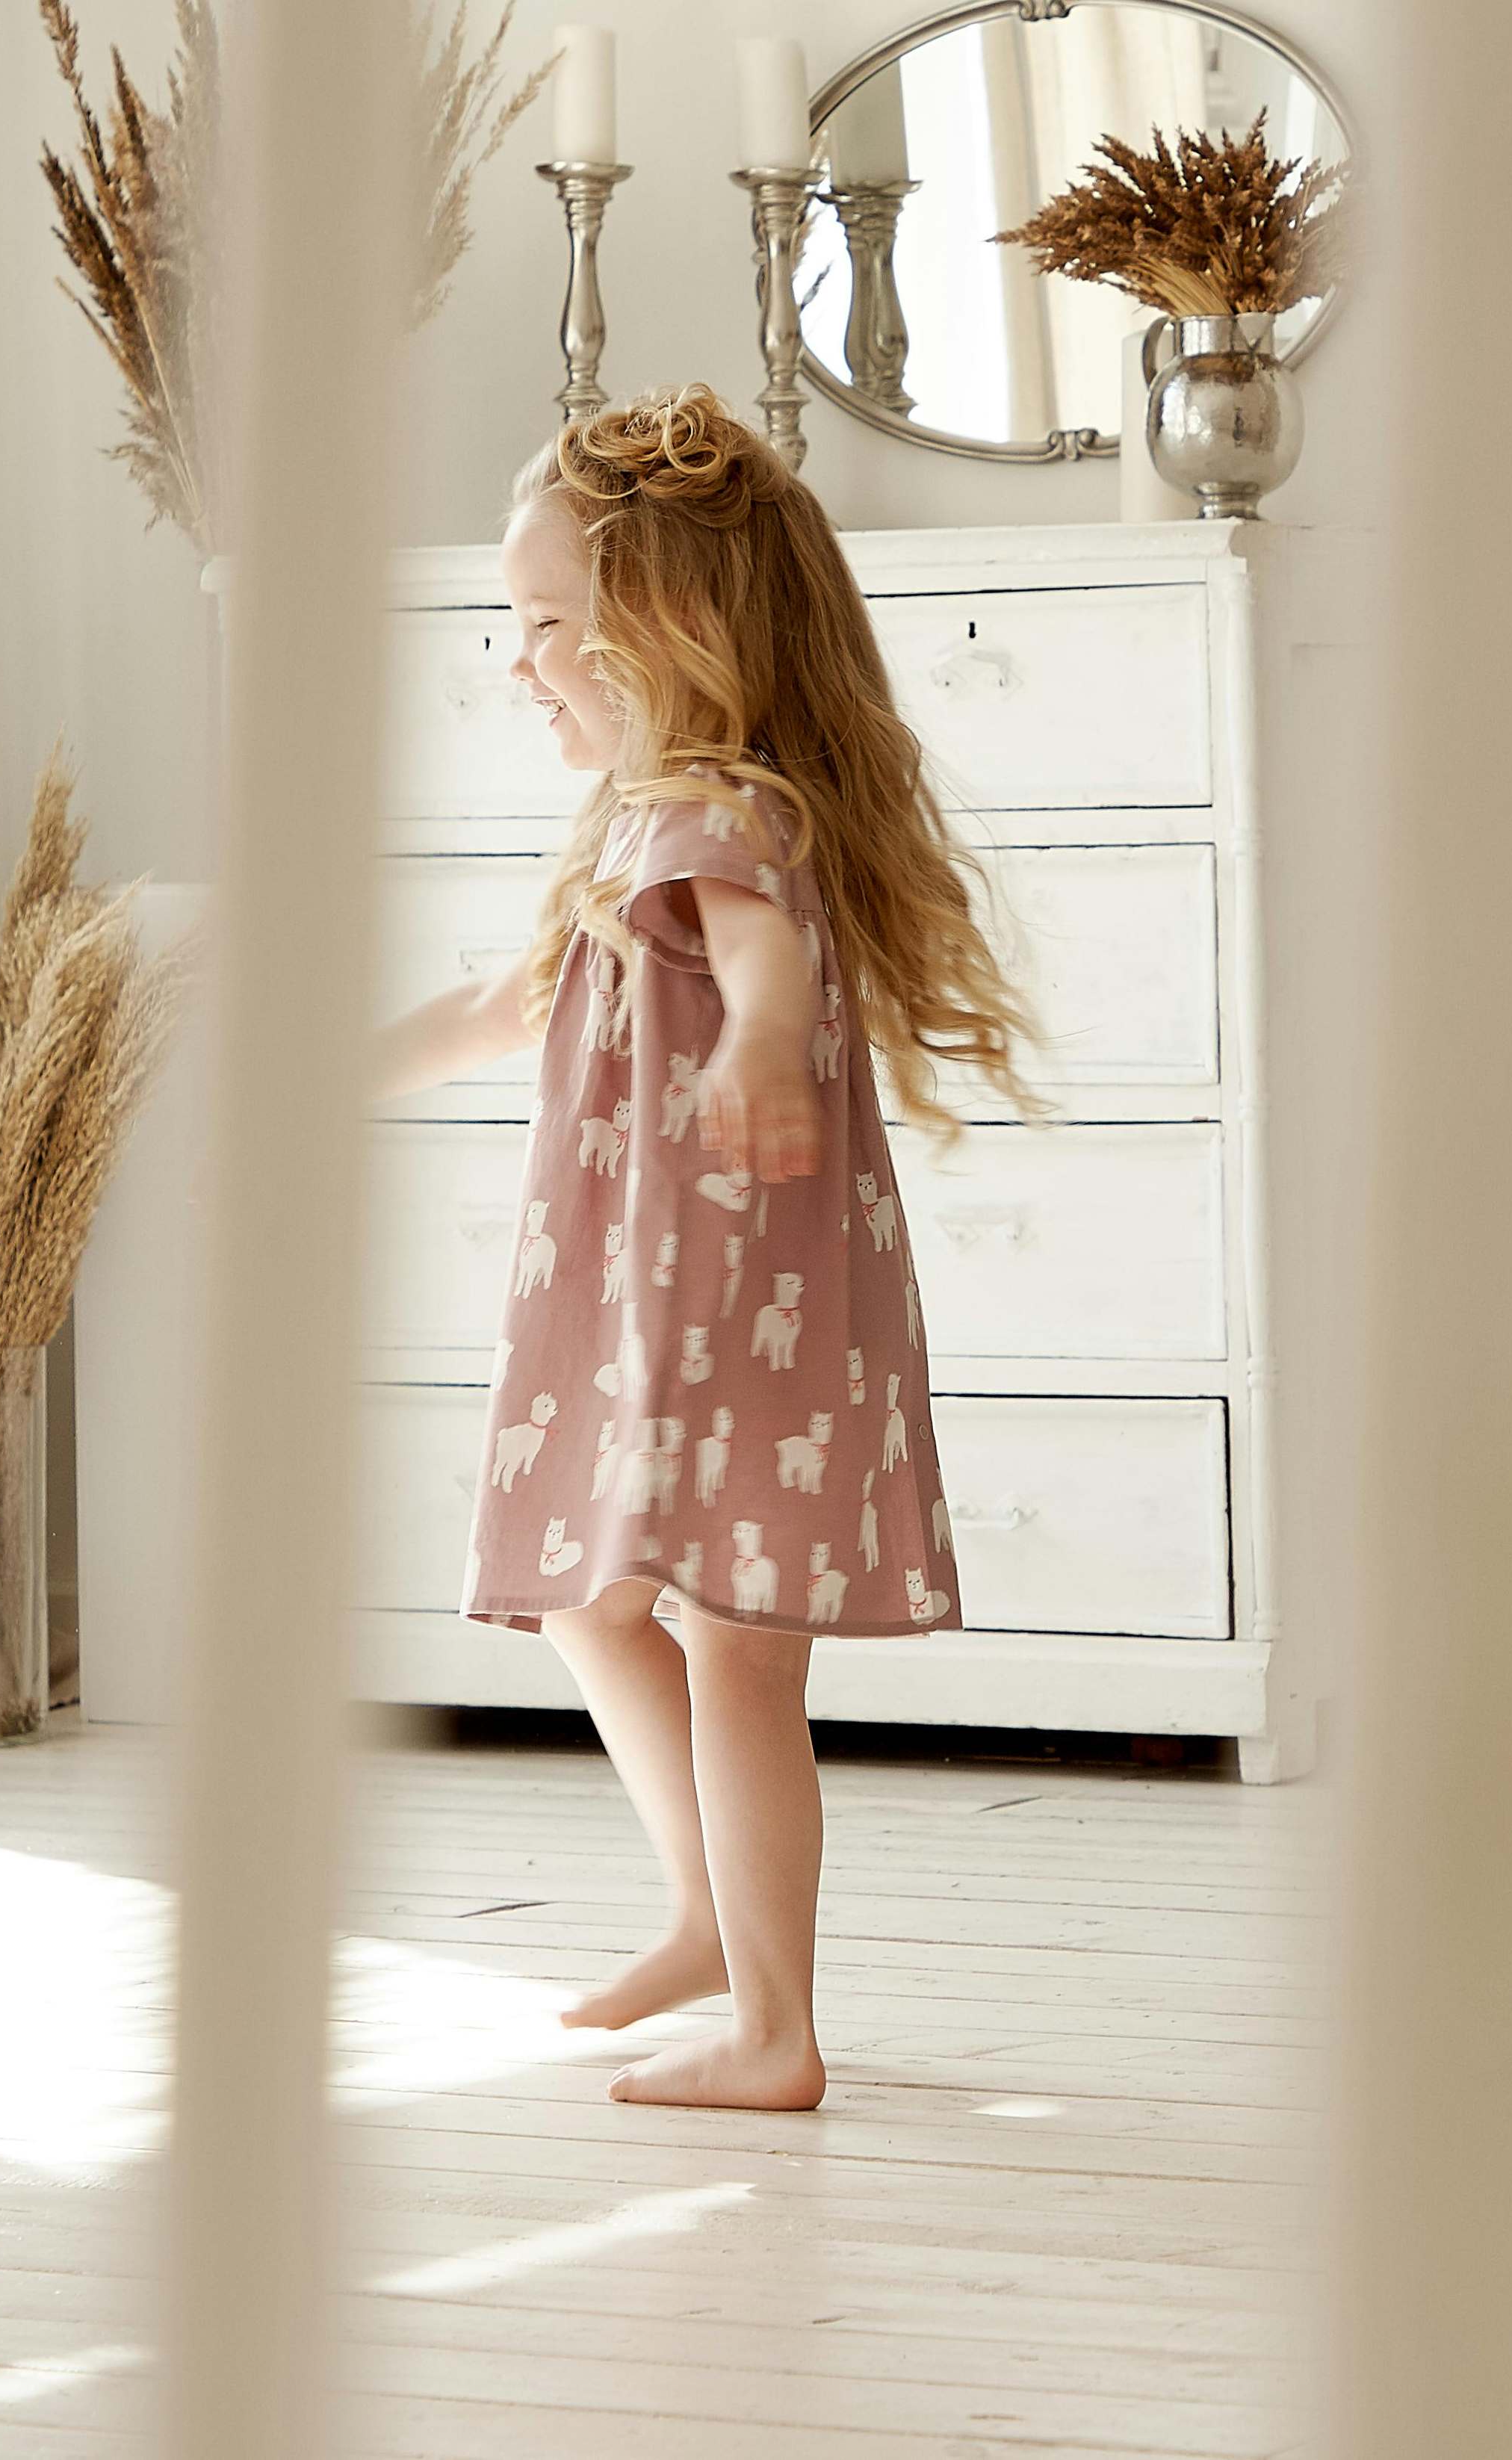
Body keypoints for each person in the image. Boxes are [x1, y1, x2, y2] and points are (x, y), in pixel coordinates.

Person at [368, 385, 1038, 2111]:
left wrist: (754, 1045)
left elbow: (766, 970)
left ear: (664, 627)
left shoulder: (716, 813)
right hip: (649, 1292)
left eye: (545, 629)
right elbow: (514, 1003)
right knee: (590, 1598)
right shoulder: (649, 818)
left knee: (736, 1646)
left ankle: (775, 2030)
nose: (521, 665)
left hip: (726, 1290)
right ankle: (699, 1920)